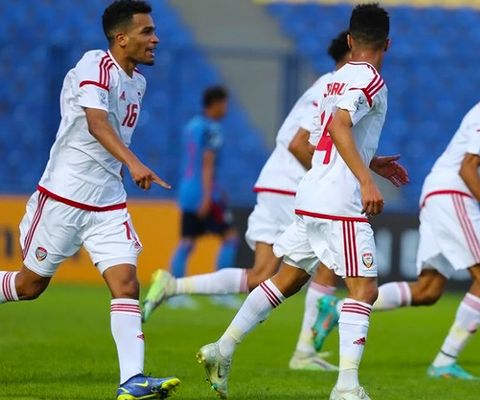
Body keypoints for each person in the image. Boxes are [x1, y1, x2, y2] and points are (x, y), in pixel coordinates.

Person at [142, 30, 406, 375]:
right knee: (343, 277)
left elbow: (325, 140)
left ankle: (186, 301)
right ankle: (312, 355)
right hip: (296, 187)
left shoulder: (330, 84)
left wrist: (363, 164)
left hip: (292, 187)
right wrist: (338, 180)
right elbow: (303, 143)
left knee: (272, 276)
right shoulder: (344, 84)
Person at [313, 55, 480, 381]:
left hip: (438, 193)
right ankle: (444, 362)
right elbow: (467, 168)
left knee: (428, 290)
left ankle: (338, 309)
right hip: (451, 193)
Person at [196, 5, 392, 400]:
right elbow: (339, 126)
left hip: (311, 194)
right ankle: (346, 388)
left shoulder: (333, 81)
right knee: (364, 290)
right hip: (340, 202)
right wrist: (366, 179)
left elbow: (324, 136)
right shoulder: (371, 80)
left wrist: (372, 161)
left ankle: (222, 348)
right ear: (387, 44)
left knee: (288, 279)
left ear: (350, 40)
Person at [0, 1, 180, 399]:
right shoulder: (95, 65)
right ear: (121, 38)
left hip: (108, 202)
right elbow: (97, 124)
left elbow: (110, 135)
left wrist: (123, 168)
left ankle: (131, 381)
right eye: (147, 32)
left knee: (126, 284)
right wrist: (134, 163)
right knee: (29, 286)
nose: (156, 39)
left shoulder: (138, 83)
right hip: (64, 196)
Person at [168, 85, 240, 309]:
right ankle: (221, 291)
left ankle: (173, 292)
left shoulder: (192, 126)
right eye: (225, 104)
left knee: (187, 242)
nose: (226, 108)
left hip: (187, 189)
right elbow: (207, 162)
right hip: (204, 192)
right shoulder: (211, 128)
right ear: (216, 103)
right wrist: (208, 196)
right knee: (230, 238)